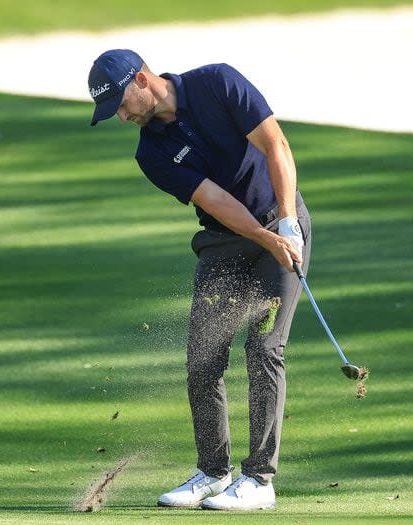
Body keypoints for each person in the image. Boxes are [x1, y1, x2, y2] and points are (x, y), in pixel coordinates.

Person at [87, 49, 311, 511]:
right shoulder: (151, 153)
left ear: (142, 80)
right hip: (225, 241)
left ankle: (259, 480)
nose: (122, 116)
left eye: (121, 104)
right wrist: (262, 238)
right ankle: (214, 472)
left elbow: (276, 145)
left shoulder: (218, 83)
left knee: (265, 348)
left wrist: (286, 224)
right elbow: (214, 199)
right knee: (203, 360)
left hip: (282, 222)